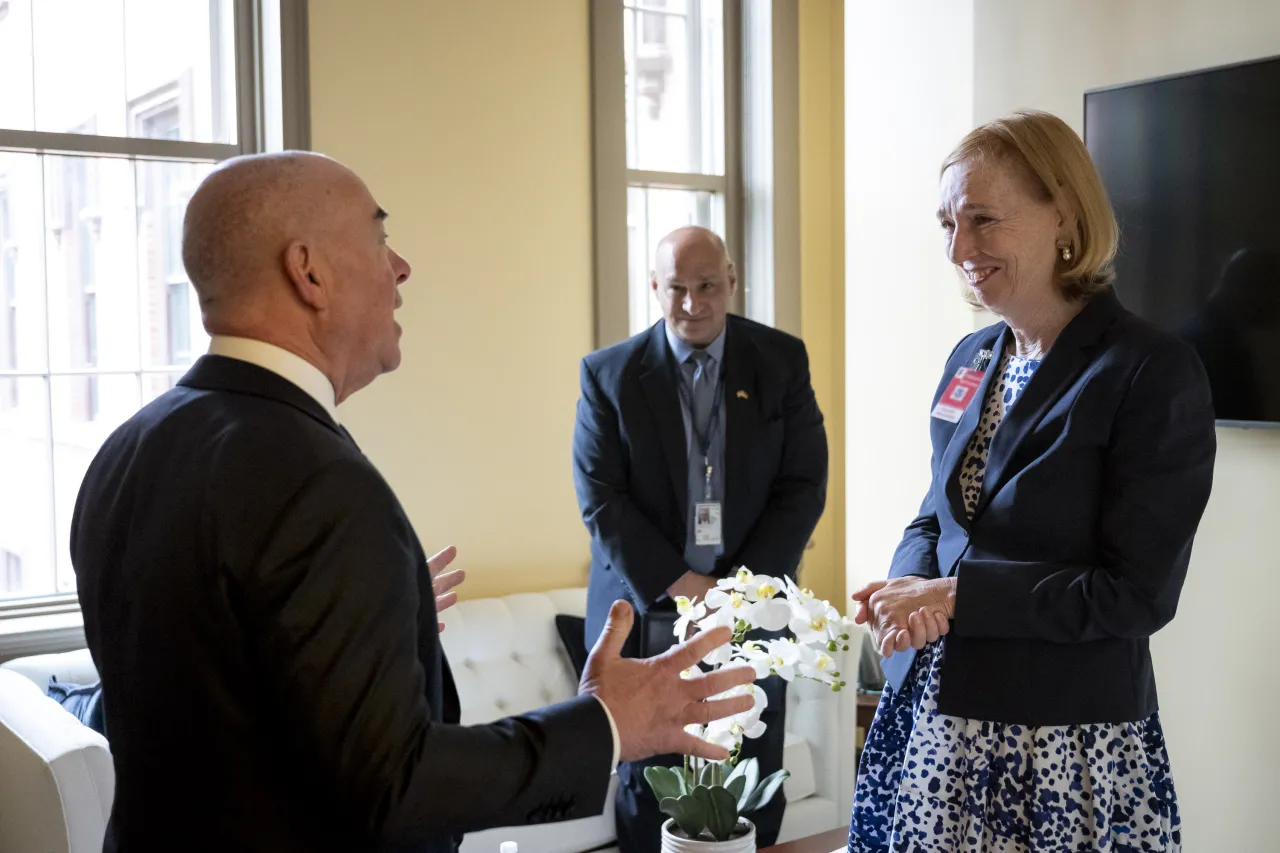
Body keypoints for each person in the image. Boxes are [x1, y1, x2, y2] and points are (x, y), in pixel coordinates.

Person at [70, 152, 756, 853]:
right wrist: (607, 722)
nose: (400, 268)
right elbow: (393, 787)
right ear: (308, 272)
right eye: (379, 238)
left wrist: (370, 604)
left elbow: (217, 679)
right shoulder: (314, 480)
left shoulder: (127, 450)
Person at [847, 110, 1216, 852]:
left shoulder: (1151, 372)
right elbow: (936, 519)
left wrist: (954, 595)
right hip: (936, 723)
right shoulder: (971, 358)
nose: (959, 248)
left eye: (983, 219)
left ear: (1065, 216)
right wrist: (905, 597)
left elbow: (1136, 595)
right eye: (948, 222)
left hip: (1062, 749)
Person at [573, 226, 829, 853]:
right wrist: (687, 586)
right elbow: (601, 497)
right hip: (648, 607)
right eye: (677, 289)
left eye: (707, 286)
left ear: (732, 281)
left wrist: (736, 593)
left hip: (751, 605)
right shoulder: (609, 375)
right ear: (654, 288)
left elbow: (803, 484)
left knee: (752, 768)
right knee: (648, 783)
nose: (693, 304)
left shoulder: (781, 360)